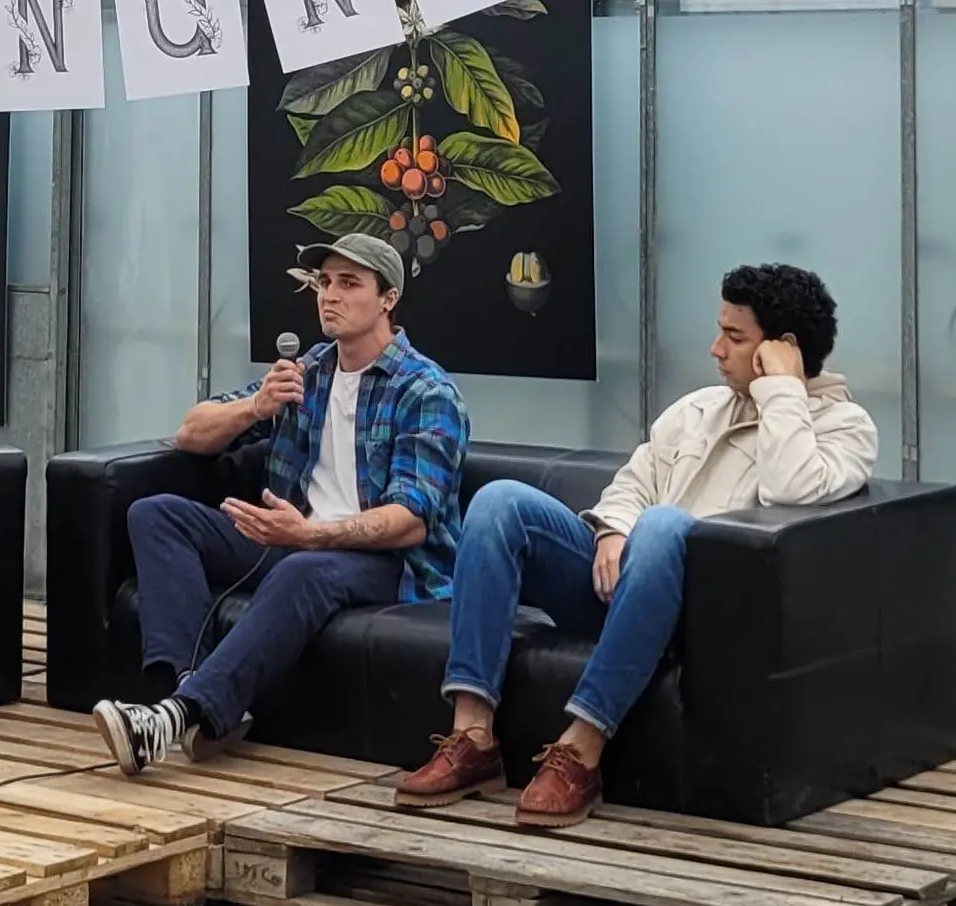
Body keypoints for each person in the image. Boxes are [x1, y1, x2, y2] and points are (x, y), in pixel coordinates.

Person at [395, 261, 877, 828]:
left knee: (667, 524)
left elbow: (791, 488)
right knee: (501, 502)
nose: (715, 349)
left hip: (701, 615)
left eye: (734, 337)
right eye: (719, 330)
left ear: (782, 350)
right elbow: (633, 481)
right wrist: (613, 529)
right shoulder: (697, 409)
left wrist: (782, 393)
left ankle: (582, 746)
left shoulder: (844, 427)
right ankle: (472, 734)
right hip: (623, 587)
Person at [93, 232, 469, 777]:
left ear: (388, 298)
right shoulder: (308, 373)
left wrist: (310, 535)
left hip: (389, 565)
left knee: (304, 570)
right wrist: (254, 405)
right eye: (324, 283)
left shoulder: (426, 391)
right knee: (155, 514)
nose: (329, 296)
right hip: (294, 538)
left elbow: (410, 522)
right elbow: (189, 434)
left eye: (349, 283)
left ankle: (175, 716)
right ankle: (187, 695)